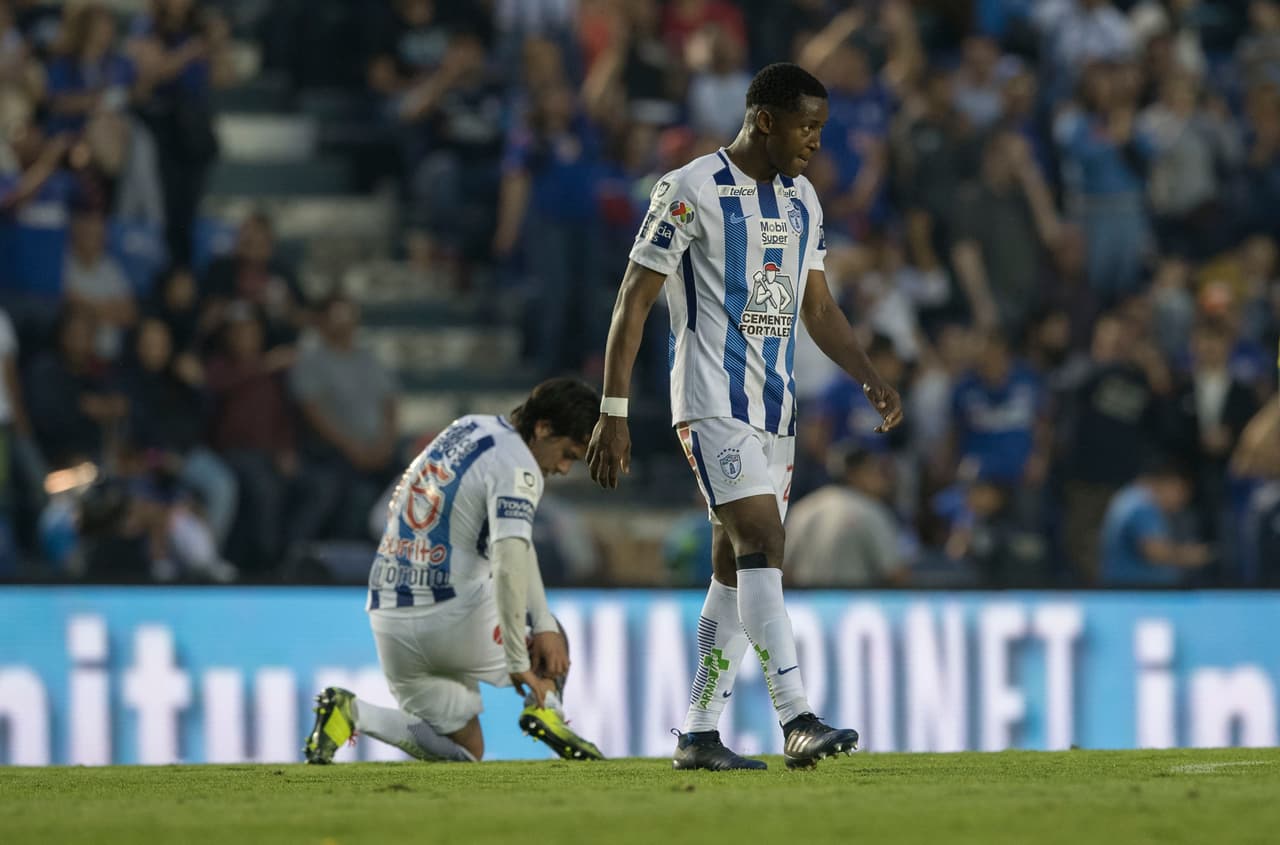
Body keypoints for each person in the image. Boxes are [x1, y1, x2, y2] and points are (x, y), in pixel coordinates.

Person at [587, 63, 903, 771]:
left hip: (774, 410)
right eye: (806, 125)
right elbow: (633, 300)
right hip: (709, 402)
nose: (815, 141)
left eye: (820, 128)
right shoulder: (689, 188)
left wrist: (871, 378)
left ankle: (698, 731)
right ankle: (796, 716)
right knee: (763, 537)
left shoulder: (804, 202)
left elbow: (816, 307)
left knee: (734, 568)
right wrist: (614, 409)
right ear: (764, 119)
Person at [304, 378, 605, 764]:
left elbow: (517, 543)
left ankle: (353, 713)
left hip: (388, 613)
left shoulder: (466, 428)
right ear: (543, 427)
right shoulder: (520, 467)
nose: (563, 467)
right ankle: (548, 711)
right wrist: (519, 657)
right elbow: (509, 563)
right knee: (551, 635)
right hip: (449, 613)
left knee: (465, 751)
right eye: (566, 453)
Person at [784, 445, 907, 587]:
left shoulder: (802, 509)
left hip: (806, 605)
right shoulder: (869, 511)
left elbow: (785, 571)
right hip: (854, 604)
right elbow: (895, 574)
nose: (880, 479)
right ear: (855, 474)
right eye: (873, 471)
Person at [1099, 456, 1211, 586]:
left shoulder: (1131, 496)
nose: (1182, 501)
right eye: (1182, 492)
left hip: (1132, 592)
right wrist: (1192, 555)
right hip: (1137, 593)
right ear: (1170, 483)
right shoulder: (1143, 504)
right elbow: (1154, 552)